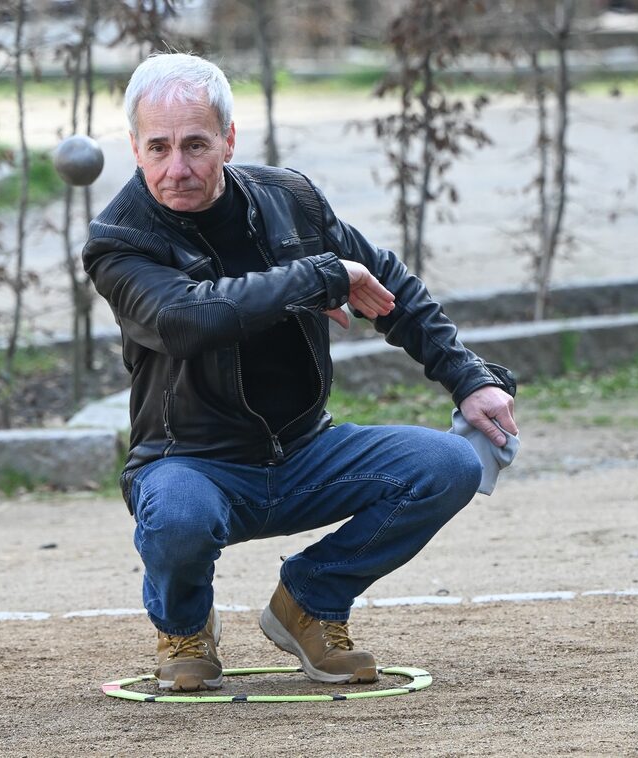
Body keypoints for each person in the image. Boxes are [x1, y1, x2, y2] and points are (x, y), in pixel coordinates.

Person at [82, 52, 518, 692]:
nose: (178, 168)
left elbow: (388, 284)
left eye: (197, 145)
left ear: (229, 140)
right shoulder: (120, 239)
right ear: (135, 147)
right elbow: (185, 320)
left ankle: (310, 602)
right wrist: (319, 276)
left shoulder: (291, 201)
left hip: (306, 452)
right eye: (160, 148)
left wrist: (469, 378)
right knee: (176, 517)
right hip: (190, 463)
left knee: (450, 465)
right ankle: (184, 625)